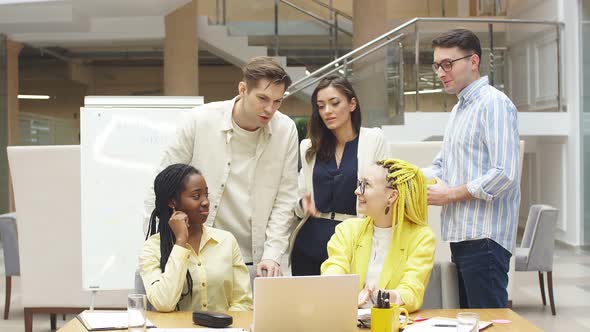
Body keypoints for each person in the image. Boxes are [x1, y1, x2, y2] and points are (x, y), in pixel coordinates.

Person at [145, 57, 299, 279]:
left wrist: (272, 254)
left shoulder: (285, 130)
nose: (269, 109)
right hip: (199, 253)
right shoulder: (199, 121)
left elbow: (285, 199)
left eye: (277, 101)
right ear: (243, 89)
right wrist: (159, 247)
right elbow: (161, 187)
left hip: (256, 259)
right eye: (263, 98)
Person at [424, 28, 520, 308]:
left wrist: (450, 195)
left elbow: (504, 173)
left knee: (489, 323)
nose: (441, 72)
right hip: (462, 236)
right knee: (469, 323)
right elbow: (442, 167)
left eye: (447, 64)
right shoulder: (459, 110)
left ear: (474, 61)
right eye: (437, 65)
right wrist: (399, 176)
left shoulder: (494, 104)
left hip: (485, 238)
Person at [290, 75, 386, 276]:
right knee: (308, 306)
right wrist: (303, 204)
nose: (327, 111)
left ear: (352, 104)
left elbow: (385, 190)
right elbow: (299, 197)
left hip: (355, 239)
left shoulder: (373, 139)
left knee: (350, 304)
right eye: (321, 106)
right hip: (310, 242)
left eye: (334, 103)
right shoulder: (309, 147)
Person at [321, 159, 435, 313]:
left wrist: (382, 297)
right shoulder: (347, 230)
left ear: (392, 196)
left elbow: (412, 292)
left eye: (366, 185)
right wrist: (347, 297)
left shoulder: (421, 238)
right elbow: (332, 274)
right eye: (360, 183)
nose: (357, 191)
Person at [139, 164, 252, 312]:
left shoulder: (227, 241)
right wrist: (180, 242)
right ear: (172, 202)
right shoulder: (152, 248)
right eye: (196, 196)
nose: (205, 202)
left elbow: (243, 302)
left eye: (206, 195)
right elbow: (164, 303)